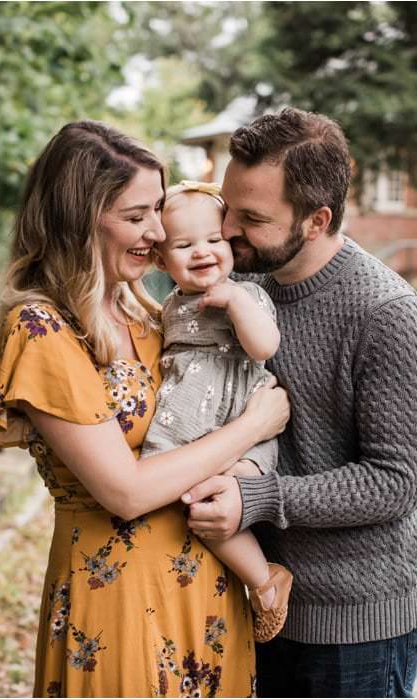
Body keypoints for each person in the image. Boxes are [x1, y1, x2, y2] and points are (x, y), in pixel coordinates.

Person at [0, 121, 290, 697]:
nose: (156, 230)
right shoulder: (43, 329)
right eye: (135, 216)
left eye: (156, 210)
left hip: (210, 592)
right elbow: (123, 491)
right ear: (79, 218)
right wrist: (255, 425)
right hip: (118, 600)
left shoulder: (153, 314)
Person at [181, 107, 417, 698]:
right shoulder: (241, 291)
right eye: (229, 211)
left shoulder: (386, 312)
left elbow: (397, 481)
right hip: (255, 611)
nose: (227, 233)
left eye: (252, 219)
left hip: (357, 633)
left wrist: (259, 498)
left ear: (316, 219)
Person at [142, 180, 294, 643]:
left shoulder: (247, 296)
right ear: (161, 260)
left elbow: (265, 345)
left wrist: (234, 302)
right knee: (168, 488)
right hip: (187, 422)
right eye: (184, 245)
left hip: (237, 423)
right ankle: (263, 576)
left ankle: (262, 581)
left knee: (212, 499)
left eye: (214, 240)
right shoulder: (166, 306)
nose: (202, 252)